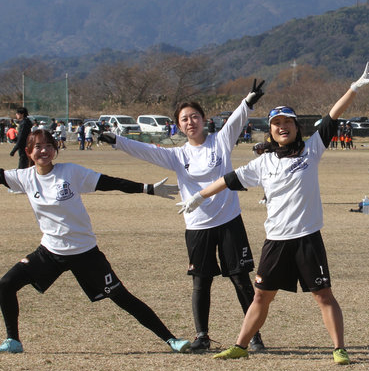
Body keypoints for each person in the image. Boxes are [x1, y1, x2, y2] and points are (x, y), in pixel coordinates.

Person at [0, 130, 191, 354]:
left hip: (85, 253)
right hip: (50, 252)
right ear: (28, 152)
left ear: (55, 150)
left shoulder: (70, 172)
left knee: (122, 297)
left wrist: (148, 188)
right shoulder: (24, 178)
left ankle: (171, 339)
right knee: (7, 283)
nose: (44, 151)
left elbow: (108, 182)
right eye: (38, 147)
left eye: (49, 146)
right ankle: (13, 340)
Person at [179, 63, 369, 365]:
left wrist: (353, 89)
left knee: (323, 295)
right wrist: (198, 196)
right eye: (276, 123)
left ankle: (339, 349)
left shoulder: (312, 150)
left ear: (297, 127)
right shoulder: (263, 163)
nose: (282, 127)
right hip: (276, 241)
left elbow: (332, 116)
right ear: (270, 131)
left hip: (307, 238)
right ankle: (240, 345)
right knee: (261, 296)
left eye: (288, 122)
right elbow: (228, 180)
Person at [100, 80, 267, 352]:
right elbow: (145, 151)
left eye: (195, 117)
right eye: (185, 119)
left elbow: (235, 122)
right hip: (197, 226)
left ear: (204, 119)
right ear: (178, 126)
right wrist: (117, 141)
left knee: (240, 279)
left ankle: (254, 336)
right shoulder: (178, 156)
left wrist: (248, 102)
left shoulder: (220, 142)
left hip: (229, 222)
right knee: (201, 281)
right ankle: (202, 336)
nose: (191, 122)